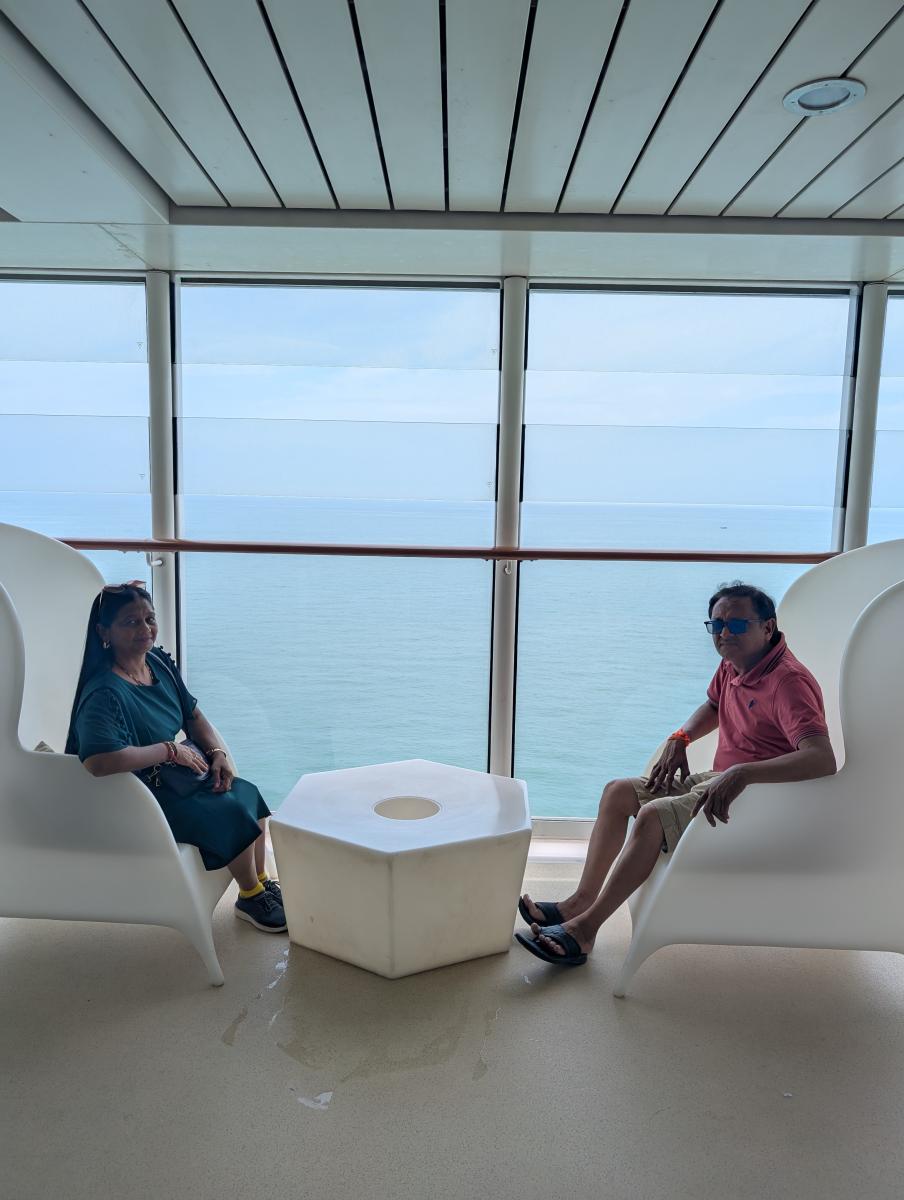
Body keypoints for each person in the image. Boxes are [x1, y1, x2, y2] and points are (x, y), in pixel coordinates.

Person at [517, 582, 837, 967]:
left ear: (767, 628)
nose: (723, 634)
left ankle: (584, 932)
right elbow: (714, 705)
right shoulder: (735, 662)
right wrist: (681, 737)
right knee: (617, 792)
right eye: (716, 625)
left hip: (760, 799)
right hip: (723, 780)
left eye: (737, 625)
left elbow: (821, 759)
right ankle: (577, 904)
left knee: (653, 816)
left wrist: (743, 774)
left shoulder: (788, 682)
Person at [66, 582, 287, 934]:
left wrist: (217, 753)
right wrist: (169, 750)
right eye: (130, 622)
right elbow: (99, 762)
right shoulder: (103, 693)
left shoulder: (156, 663)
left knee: (246, 792)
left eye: (149, 619)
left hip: (173, 779)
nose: (145, 628)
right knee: (227, 811)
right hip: (138, 797)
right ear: (104, 632)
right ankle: (250, 895)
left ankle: (260, 881)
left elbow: (192, 715)